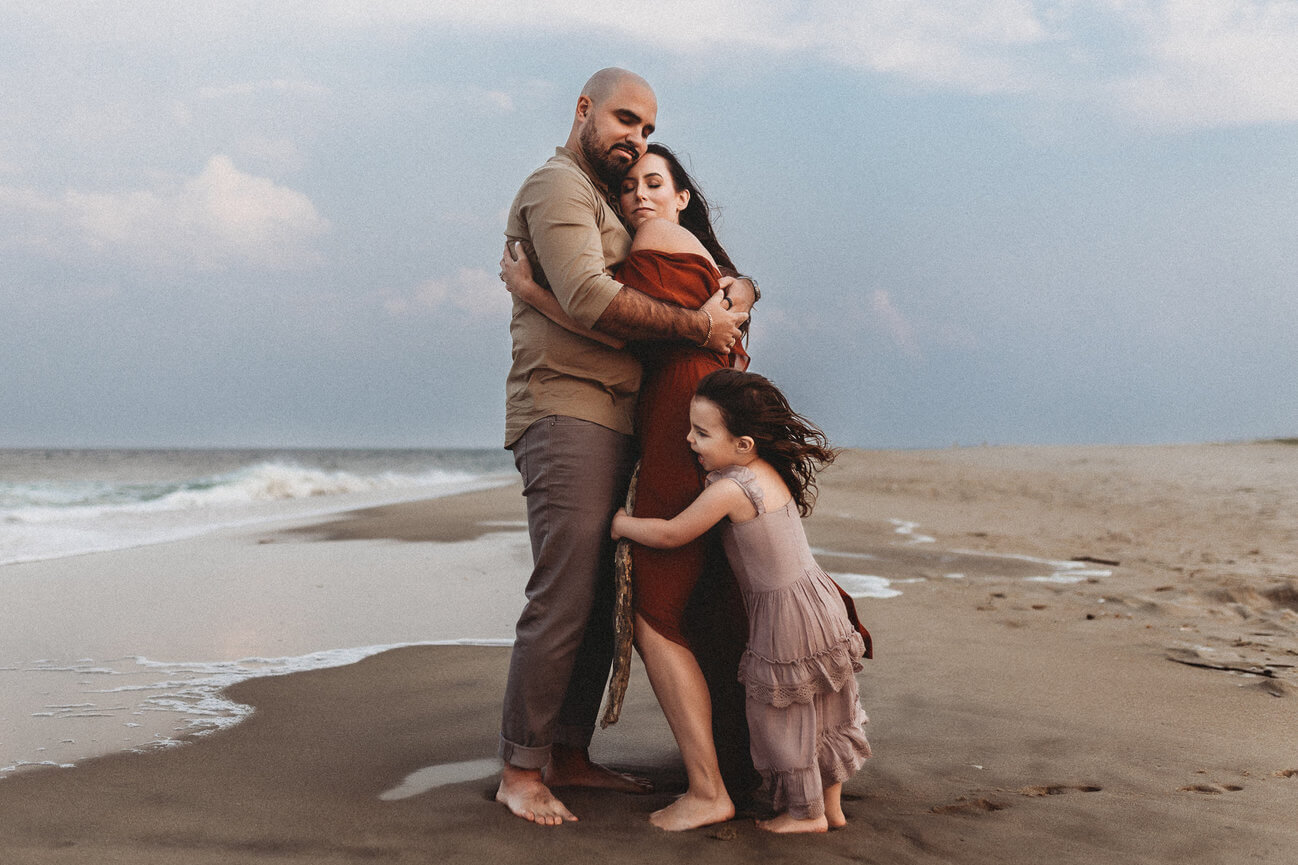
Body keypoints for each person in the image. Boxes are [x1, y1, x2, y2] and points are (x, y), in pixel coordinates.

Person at [494, 68, 748, 827]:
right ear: (583, 110)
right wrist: (702, 325)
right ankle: (519, 766)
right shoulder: (558, 188)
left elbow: (691, 272)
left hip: (619, 416)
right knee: (566, 589)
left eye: (646, 129)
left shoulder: (611, 200)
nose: (634, 138)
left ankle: (568, 750)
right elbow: (591, 298)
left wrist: (736, 293)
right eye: (625, 120)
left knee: (606, 592)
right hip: (566, 408)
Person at [611, 368, 872, 834]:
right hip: (819, 600)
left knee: (782, 714)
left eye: (702, 433)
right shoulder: (768, 472)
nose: (689, 439)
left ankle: (804, 814)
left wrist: (622, 524)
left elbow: (673, 534)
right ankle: (830, 808)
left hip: (785, 615)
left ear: (743, 445)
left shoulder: (730, 489)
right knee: (827, 706)